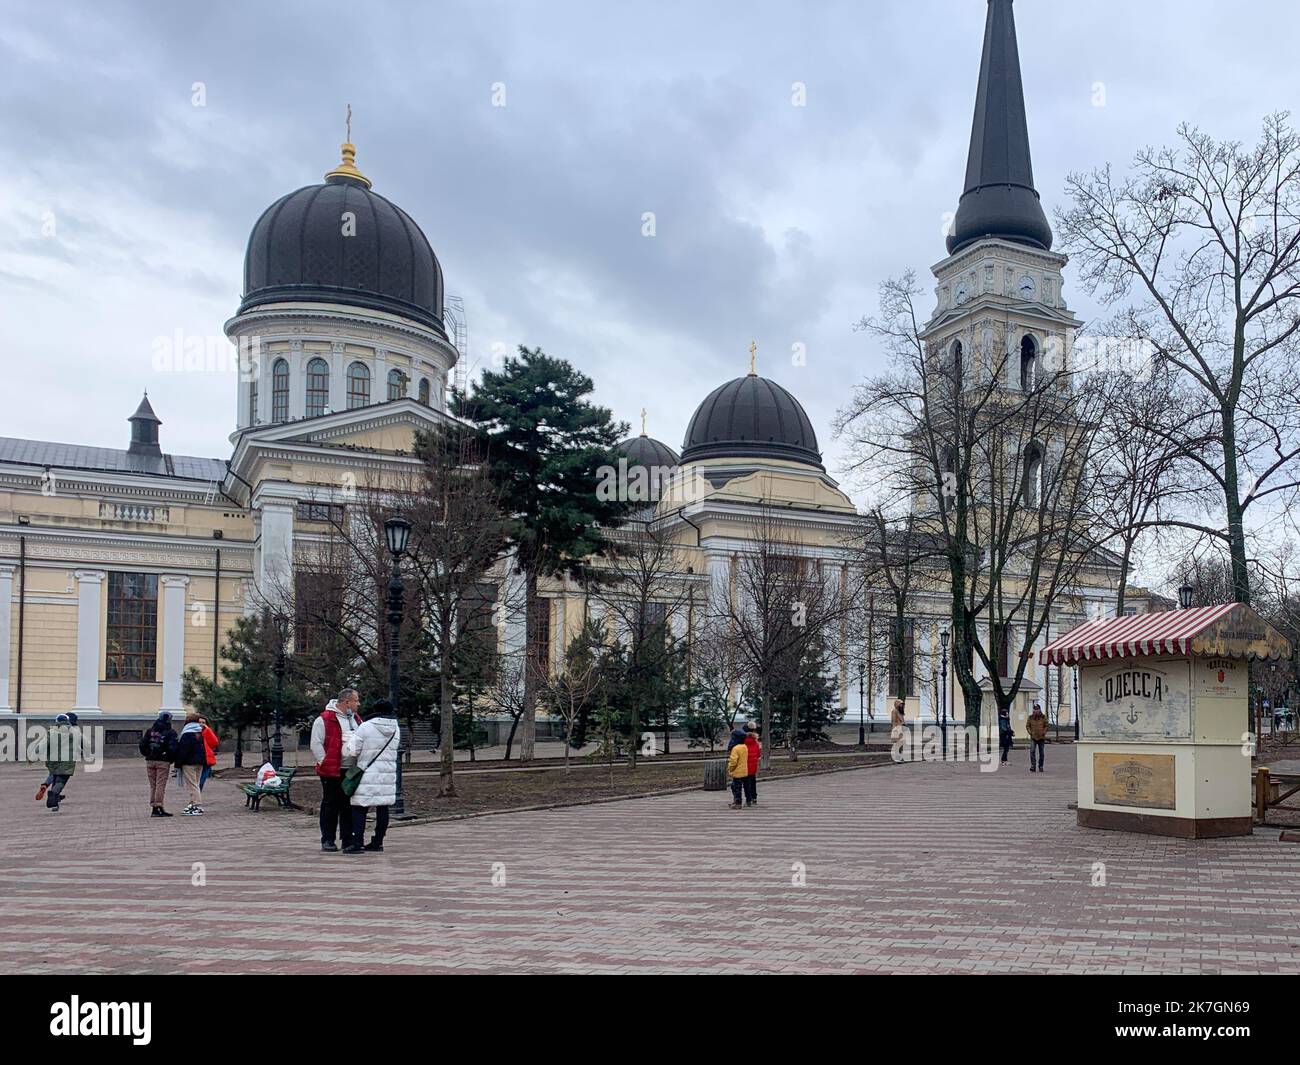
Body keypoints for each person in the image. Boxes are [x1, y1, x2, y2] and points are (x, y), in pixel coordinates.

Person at [343, 699, 401, 853]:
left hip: (367, 773)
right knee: (383, 808)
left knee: (359, 807)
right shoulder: (396, 728)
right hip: (387, 774)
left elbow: (352, 750)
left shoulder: (366, 726)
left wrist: (348, 740)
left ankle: (357, 843)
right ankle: (378, 842)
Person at [311, 688, 364, 852]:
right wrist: (324, 761)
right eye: (356, 700)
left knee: (348, 806)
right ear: (346, 702)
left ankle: (347, 839)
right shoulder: (325, 719)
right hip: (332, 769)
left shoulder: (356, 719)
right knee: (330, 804)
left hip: (351, 769)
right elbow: (316, 743)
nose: (358, 703)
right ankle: (328, 839)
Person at [139, 711, 178, 817]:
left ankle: (154, 807)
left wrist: (147, 754)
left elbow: (142, 744)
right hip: (163, 761)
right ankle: (158, 806)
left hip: (150, 760)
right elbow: (172, 748)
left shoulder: (150, 731)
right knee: (160, 784)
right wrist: (170, 759)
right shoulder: (170, 732)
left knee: (153, 785)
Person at [43, 713, 79, 812]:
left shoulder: (51, 731)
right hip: (67, 761)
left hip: (53, 760)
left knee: (54, 778)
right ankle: (53, 794)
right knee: (61, 780)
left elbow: (44, 744)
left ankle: (55, 803)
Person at [174, 712, 208, 815]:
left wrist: (178, 764)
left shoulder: (187, 734)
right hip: (200, 762)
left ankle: (196, 805)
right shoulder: (199, 733)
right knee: (196, 784)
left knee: (192, 785)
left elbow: (183, 751)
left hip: (189, 763)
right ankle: (193, 803)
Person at [725, 726, 749, 810]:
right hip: (744, 770)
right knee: (738, 786)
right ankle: (736, 801)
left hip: (737, 771)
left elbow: (733, 761)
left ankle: (737, 802)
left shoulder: (735, 749)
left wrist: (730, 768)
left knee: (736, 787)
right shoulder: (744, 747)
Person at [198, 715, 220, 794]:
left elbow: (214, 742)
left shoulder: (207, 731)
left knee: (202, 778)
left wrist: (208, 730)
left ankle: (198, 792)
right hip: (198, 758)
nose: (201, 724)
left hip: (206, 758)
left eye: (203, 722)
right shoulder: (194, 732)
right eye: (199, 722)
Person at [742, 721, 761, 808]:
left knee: (746, 783)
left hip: (745, 765)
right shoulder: (756, 742)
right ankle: (754, 797)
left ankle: (748, 799)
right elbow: (758, 755)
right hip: (753, 766)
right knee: (753, 781)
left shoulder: (743, 742)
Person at [1026, 701, 1048, 773]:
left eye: (1037, 709)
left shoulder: (1043, 717)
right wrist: (1030, 732)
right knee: (1032, 751)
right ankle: (1033, 765)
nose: (1036, 710)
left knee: (1041, 753)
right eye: (1034, 709)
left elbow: (1046, 726)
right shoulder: (1030, 717)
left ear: (1039, 710)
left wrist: (1043, 732)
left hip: (1041, 737)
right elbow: (1027, 726)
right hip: (1033, 737)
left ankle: (1041, 766)